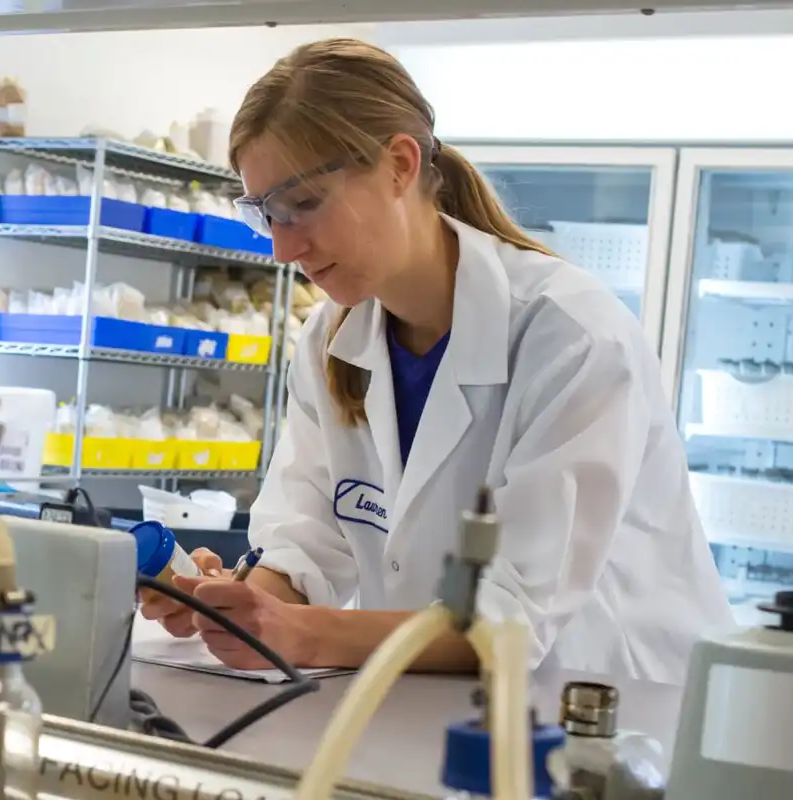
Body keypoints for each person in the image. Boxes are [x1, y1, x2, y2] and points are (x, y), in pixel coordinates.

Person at [141, 37, 733, 683]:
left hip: (617, 712)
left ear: (398, 164)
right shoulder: (329, 341)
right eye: (266, 215)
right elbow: (307, 541)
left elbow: (508, 621)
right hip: (431, 709)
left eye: (304, 204)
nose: (282, 250)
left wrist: (303, 633)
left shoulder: (572, 336)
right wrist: (241, 608)